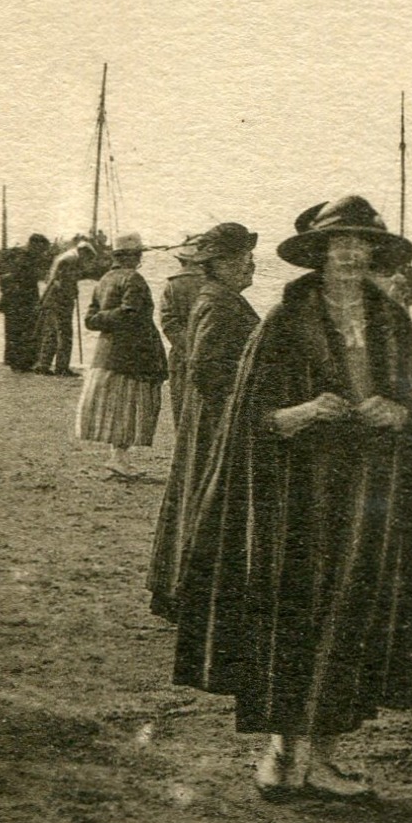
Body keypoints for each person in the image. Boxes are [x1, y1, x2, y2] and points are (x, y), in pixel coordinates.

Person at [172, 195, 412, 800]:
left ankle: (328, 756)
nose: (348, 255)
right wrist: (305, 411)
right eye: (337, 245)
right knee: (293, 615)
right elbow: (248, 418)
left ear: (372, 254)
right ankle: (284, 753)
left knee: (354, 615)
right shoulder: (283, 322)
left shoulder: (393, 321)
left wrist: (396, 411)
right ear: (317, 254)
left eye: (359, 245)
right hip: (295, 500)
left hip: (370, 498)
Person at [147, 223, 260, 620]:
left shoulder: (217, 297)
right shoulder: (218, 302)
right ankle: (187, 594)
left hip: (208, 417)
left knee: (193, 497)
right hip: (215, 420)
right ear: (221, 263)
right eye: (244, 259)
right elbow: (207, 368)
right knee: (204, 499)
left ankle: (176, 591)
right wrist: (240, 402)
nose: (251, 266)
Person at [76, 234, 168, 478]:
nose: (139, 259)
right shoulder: (133, 279)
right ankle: (119, 458)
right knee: (129, 405)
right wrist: (118, 319)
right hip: (133, 353)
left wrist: (105, 320)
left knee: (116, 405)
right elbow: (130, 315)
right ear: (132, 257)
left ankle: (118, 457)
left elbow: (90, 319)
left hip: (107, 351)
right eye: (138, 255)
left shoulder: (105, 279)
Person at [160, 241, 207, 426]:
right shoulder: (212, 284)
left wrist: (187, 348)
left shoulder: (172, 285)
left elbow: (168, 323)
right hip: (208, 355)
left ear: (181, 261)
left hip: (180, 356)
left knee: (182, 413)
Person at [32, 239, 92, 376]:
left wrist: (74, 287)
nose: (87, 261)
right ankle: (62, 368)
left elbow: (58, 279)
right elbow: (64, 283)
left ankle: (43, 365)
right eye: (88, 257)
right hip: (60, 301)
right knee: (65, 335)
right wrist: (72, 292)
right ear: (83, 252)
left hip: (51, 299)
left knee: (51, 333)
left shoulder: (65, 256)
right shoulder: (71, 259)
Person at [0, 234, 51, 371]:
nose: (42, 252)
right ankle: (20, 364)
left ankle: (17, 363)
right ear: (34, 245)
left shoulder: (19, 254)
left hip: (16, 299)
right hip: (20, 300)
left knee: (16, 331)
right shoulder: (24, 257)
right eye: (41, 249)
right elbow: (23, 276)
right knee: (22, 331)